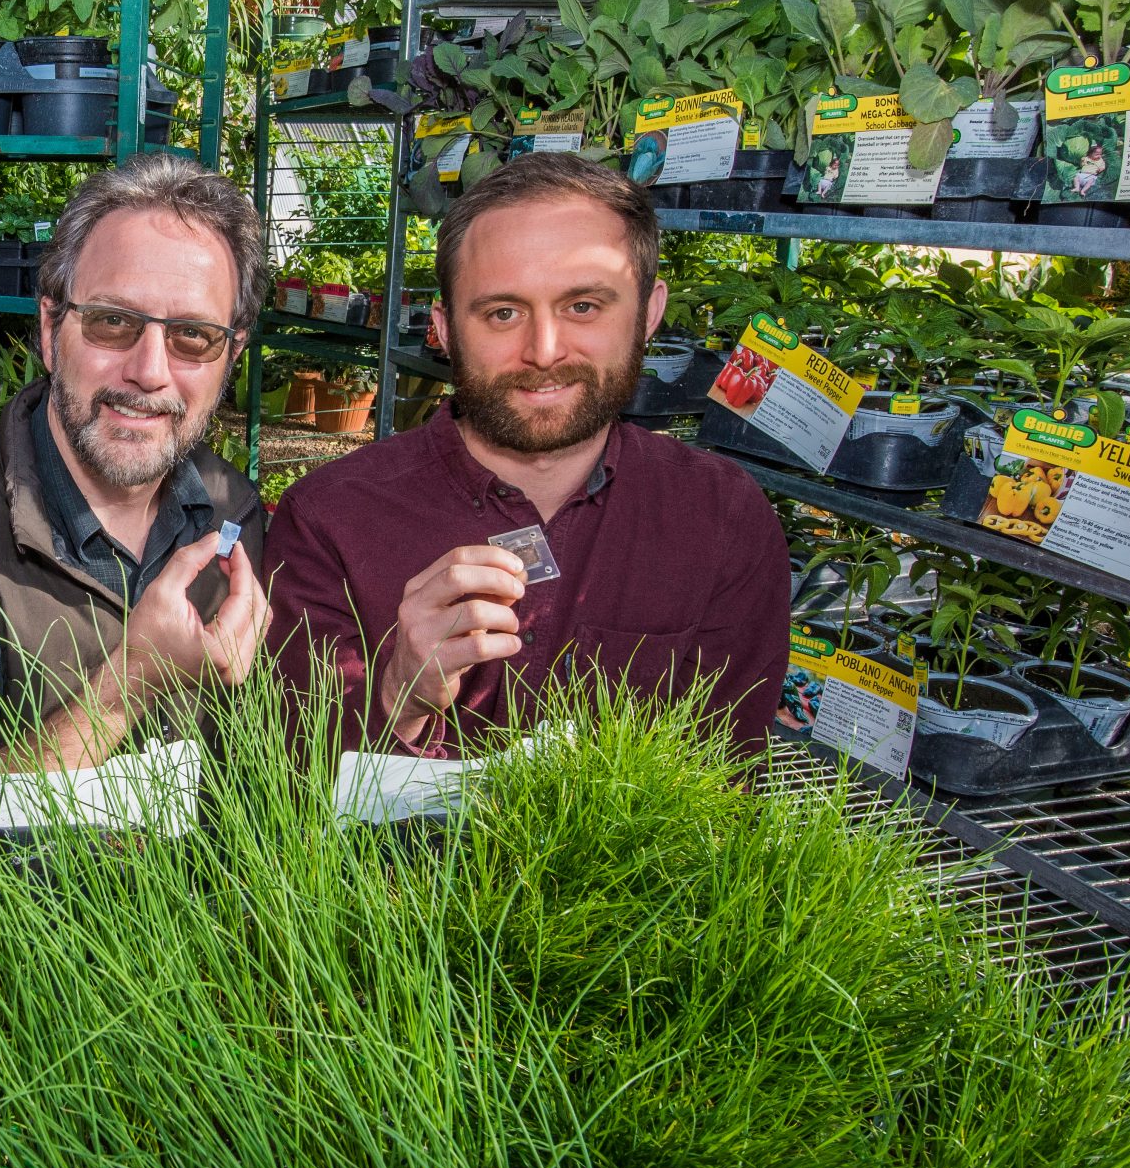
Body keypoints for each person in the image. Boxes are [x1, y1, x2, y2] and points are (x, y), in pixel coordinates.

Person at [263, 150, 787, 753]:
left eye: (583, 306)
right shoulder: (329, 520)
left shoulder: (721, 517)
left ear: (648, 313)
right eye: (503, 312)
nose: (543, 350)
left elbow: (723, 780)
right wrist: (399, 693)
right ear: (445, 327)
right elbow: (287, 792)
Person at [0, 154, 270, 782]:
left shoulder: (235, 510)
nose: (149, 371)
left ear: (230, 354)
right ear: (51, 328)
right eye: (112, 322)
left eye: (192, 336)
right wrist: (128, 686)